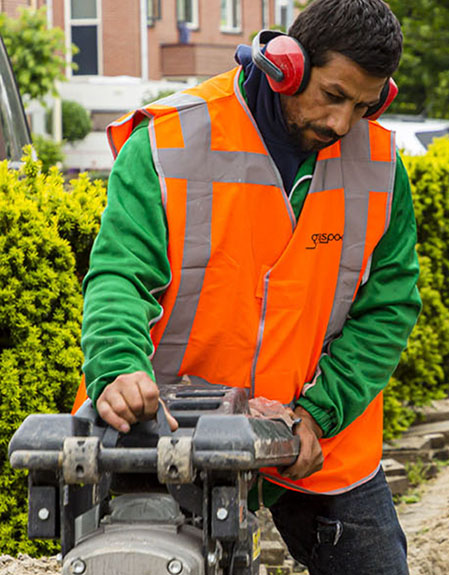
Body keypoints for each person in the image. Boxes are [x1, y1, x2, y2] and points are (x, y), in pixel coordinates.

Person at [77, 1, 420, 573]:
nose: (341, 124)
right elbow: (120, 274)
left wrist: (317, 414)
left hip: (315, 435)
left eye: (362, 106)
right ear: (287, 65)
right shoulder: (168, 141)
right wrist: (116, 370)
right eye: (333, 96)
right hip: (171, 431)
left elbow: (386, 311)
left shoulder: (380, 165)